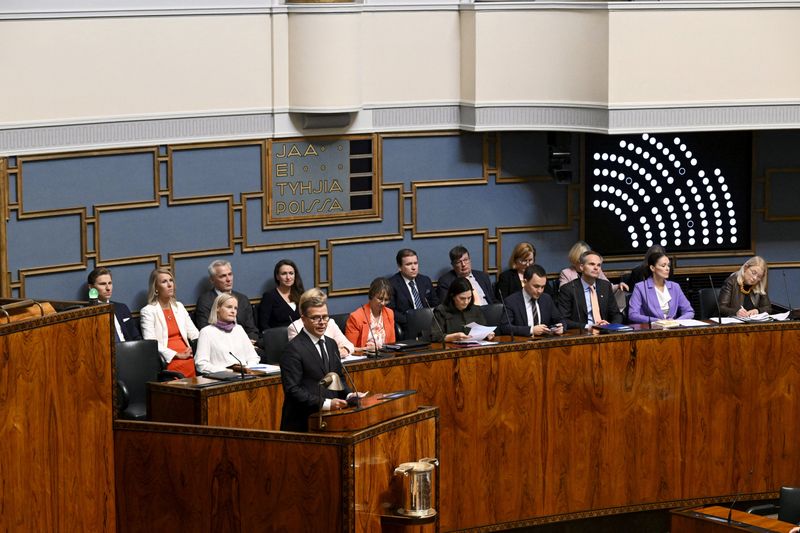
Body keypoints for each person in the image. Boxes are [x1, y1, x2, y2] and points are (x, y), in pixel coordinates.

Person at [280, 289, 357, 432]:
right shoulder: (293, 349)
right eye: (315, 318)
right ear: (303, 319)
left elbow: (337, 377)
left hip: (330, 420)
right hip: (303, 424)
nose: (322, 322)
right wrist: (326, 403)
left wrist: (349, 394)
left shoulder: (331, 344)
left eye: (325, 317)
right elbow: (293, 390)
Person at [140, 267, 200, 378]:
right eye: (164, 282)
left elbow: (194, 333)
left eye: (171, 280)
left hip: (189, 356)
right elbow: (151, 343)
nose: (169, 284)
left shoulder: (179, 307)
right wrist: (177, 355)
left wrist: (194, 348)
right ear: (156, 288)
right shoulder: (148, 311)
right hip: (168, 360)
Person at [195, 259, 260, 346]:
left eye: (230, 274)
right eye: (222, 276)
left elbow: (252, 330)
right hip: (221, 346)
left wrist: (248, 342)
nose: (228, 279)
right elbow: (206, 332)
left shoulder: (242, 299)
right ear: (212, 280)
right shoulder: (205, 301)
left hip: (247, 345)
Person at [194, 293, 260, 374]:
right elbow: (201, 365)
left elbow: (253, 357)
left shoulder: (239, 329)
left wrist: (247, 368)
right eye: (229, 307)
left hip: (244, 375)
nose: (233, 311)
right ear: (218, 308)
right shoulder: (206, 332)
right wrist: (228, 371)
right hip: (221, 378)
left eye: (235, 308)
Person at [557, 250, 623, 330]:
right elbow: (564, 319)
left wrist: (610, 326)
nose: (596, 268)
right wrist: (588, 326)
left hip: (605, 331)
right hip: (582, 333)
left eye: (598, 265)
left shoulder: (605, 286)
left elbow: (616, 314)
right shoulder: (569, 289)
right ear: (581, 267)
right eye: (591, 264)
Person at [627, 252, 694, 323]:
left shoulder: (675, 287)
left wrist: (676, 321)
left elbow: (689, 311)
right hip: (651, 330)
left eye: (668, 265)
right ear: (652, 268)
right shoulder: (640, 287)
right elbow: (633, 314)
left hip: (673, 328)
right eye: (663, 266)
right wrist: (657, 321)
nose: (667, 268)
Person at [499, 264, 563, 337]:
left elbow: (560, 320)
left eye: (542, 287)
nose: (540, 291)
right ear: (525, 282)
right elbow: (505, 327)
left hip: (545, 342)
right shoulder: (511, 301)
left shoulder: (546, 299)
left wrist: (560, 328)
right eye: (536, 286)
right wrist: (531, 330)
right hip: (522, 344)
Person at [287, 288, 355, 357]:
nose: (322, 322)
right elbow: (303, 355)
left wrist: (343, 351)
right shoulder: (295, 327)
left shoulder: (330, 322)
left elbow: (349, 346)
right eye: (315, 317)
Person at [87, 267, 142, 342]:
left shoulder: (122, 308)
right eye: (102, 284)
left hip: (127, 351)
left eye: (110, 283)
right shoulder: (87, 313)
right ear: (91, 287)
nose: (108, 288)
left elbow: (136, 337)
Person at [432, 277, 496, 343]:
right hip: (451, 349)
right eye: (462, 298)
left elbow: (484, 329)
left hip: (475, 347)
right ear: (452, 296)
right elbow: (435, 336)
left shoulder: (476, 309)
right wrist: (453, 337)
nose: (466, 302)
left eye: (469, 298)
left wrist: (488, 334)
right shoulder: (441, 311)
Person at [388, 248, 438, 330]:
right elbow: (391, 311)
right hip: (407, 326)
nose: (413, 267)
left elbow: (435, 303)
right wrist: (412, 321)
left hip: (429, 324)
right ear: (399, 267)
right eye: (408, 264)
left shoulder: (425, 280)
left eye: (415, 263)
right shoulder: (392, 284)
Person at [345, 277, 396, 351]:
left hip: (385, 356)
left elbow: (392, 344)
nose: (383, 303)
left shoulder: (389, 313)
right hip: (364, 358)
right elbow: (349, 349)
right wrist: (366, 349)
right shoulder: (356, 317)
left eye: (386, 300)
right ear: (371, 295)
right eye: (380, 299)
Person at [558, 240, 628, 291]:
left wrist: (618, 286)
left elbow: (608, 287)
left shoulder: (595, 270)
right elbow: (564, 292)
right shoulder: (566, 273)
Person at [259, 259, 304, 330]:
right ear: (277, 277)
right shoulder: (269, 296)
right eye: (284, 273)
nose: (288, 277)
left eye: (291, 273)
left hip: (301, 338)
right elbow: (263, 325)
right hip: (280, 338)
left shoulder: (301, 294)